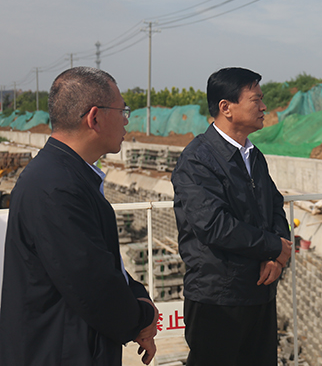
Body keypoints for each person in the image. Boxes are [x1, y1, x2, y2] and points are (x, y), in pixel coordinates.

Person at [0, 67, 158, 365]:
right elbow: (94, 286)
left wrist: (138, 295)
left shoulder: (64, 175)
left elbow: (100, 263)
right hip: (59, 351)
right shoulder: (56, 186)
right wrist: (143, 317)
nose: (127, 120)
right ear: (95, 117)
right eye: (122, 111)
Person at [172, 67, 293, 366]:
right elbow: (214, 225)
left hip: (259, 290)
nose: (264, 107)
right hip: (218, 297)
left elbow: (275, 205)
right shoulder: (197, 159)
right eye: (256, 99)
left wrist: (276, 257)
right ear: (226, 107)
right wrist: (273, 247)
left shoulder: (254, 156)